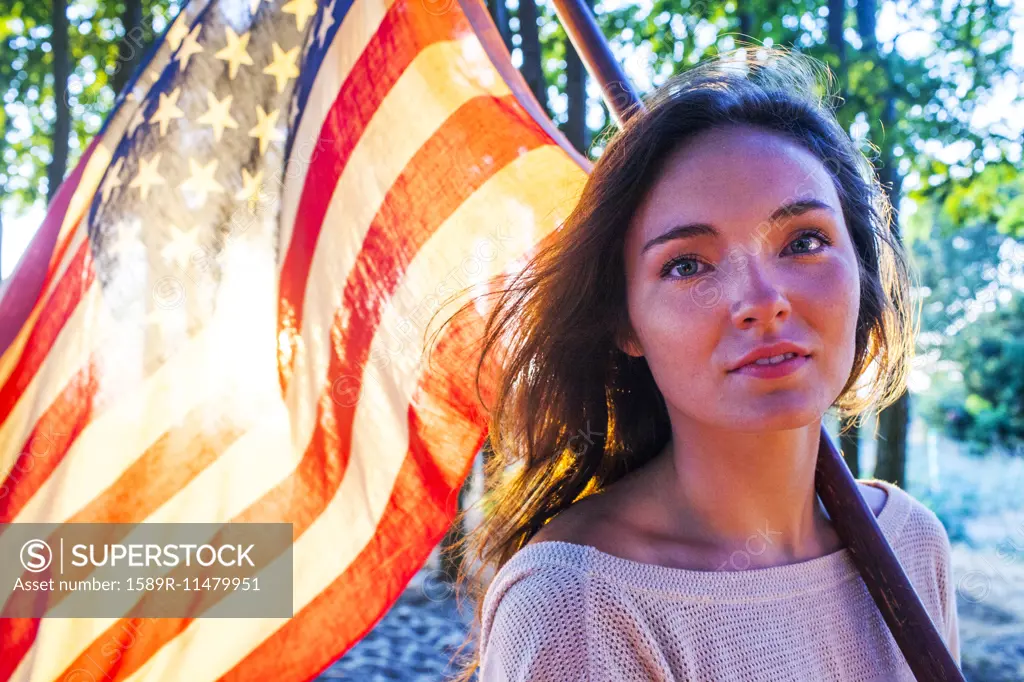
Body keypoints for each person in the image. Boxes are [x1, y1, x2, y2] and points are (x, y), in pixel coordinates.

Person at [443, 46, 960, 682]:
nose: (763, 303)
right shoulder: (579, 607)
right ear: (624, 322)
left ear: (860, 270)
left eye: (805, 242)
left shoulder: (912, 543)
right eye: (688, 263)